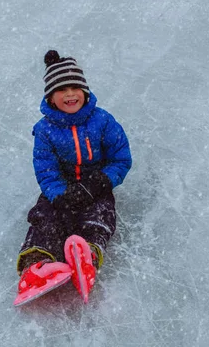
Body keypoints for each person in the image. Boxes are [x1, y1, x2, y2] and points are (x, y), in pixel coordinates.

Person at [16, 50, 132, 301]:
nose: (69, 94)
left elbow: (121, 157)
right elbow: (46, 169)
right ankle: (35, 268)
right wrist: (59, 195)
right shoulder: (45, 130)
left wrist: (101, 181)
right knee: (45, 217)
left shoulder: (103, 120)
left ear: (84, 91)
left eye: (74, 87)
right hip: (62, 187)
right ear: (51, 97)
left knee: (101, 215)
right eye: (61, 89)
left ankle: (87, 256)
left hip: (97, 184)